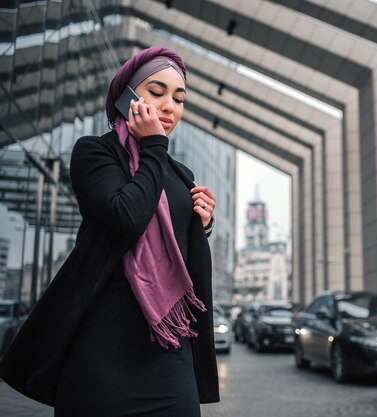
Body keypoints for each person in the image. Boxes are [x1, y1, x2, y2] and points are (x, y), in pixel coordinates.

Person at [0, 46, 220, 416]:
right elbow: (127, 217)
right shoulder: (95, 154)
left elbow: (180, 252)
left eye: (179, 98)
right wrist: (153, 146)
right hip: (101, 353)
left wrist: (204, 223)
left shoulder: (181, 175)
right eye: (156, 91)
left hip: (168, 351)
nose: (169, 106)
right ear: (127, 95)